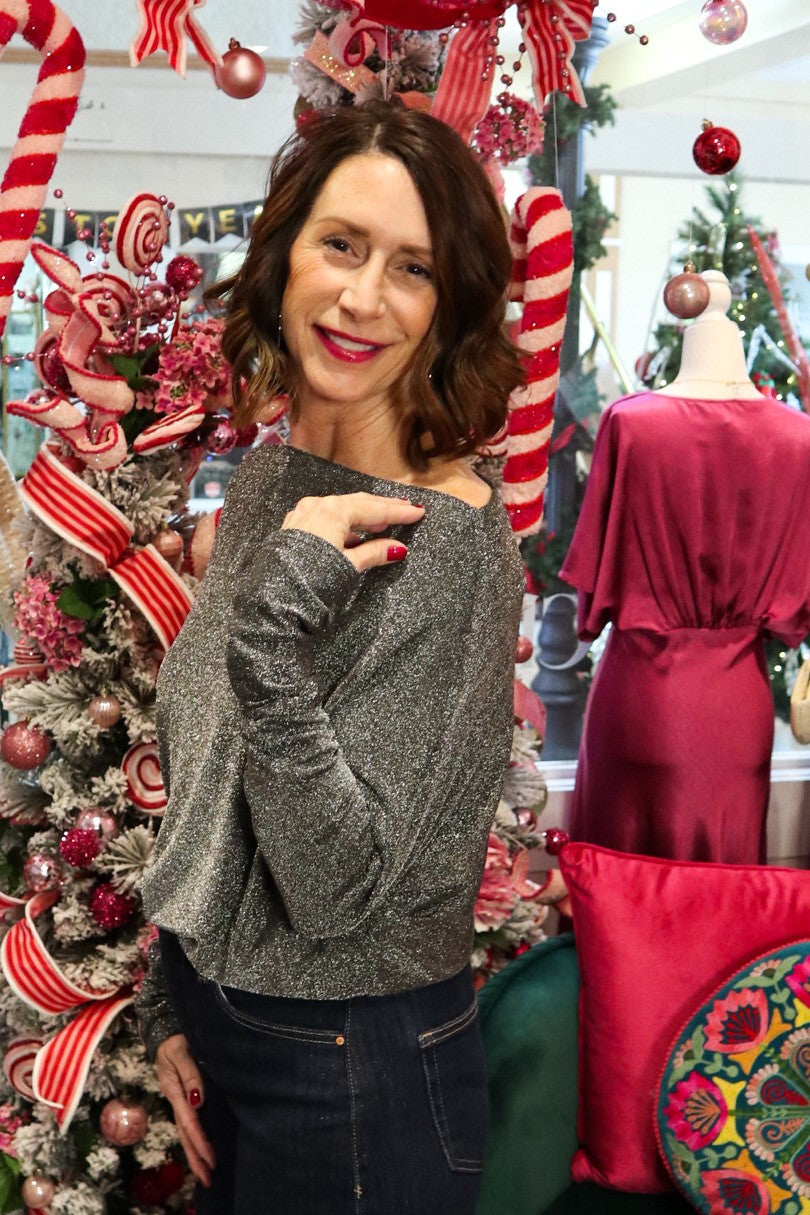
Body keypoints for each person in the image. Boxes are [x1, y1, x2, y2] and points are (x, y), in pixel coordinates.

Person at [136, 100, 526, 1215]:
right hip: (235, 1037)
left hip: (355, 1071)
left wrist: (272, 628)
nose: (361, 297)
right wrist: (175, 995)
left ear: (448, 307)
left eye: (412, 268)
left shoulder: (451, 542)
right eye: (342, 245)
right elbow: (217, 768)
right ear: (285, 257)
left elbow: (337, 890)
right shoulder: (273, 479)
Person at [561, 270, 810, 864]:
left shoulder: (631, 423)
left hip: (641, 693)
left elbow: (594, 586)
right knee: (719, 888)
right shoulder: (799, 440)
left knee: (620, 885)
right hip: (736, 705)